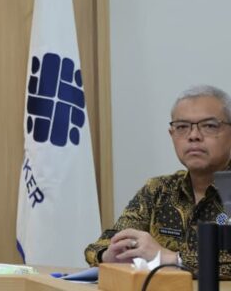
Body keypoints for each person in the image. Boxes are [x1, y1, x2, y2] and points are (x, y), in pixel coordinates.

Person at [84, 85, 231, 275]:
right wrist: (110, 255)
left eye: (209, 126)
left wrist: (170, 259)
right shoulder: (158, 190)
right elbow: (100, 245)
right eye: (182, 127)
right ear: (172, 135)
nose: (194, 136)